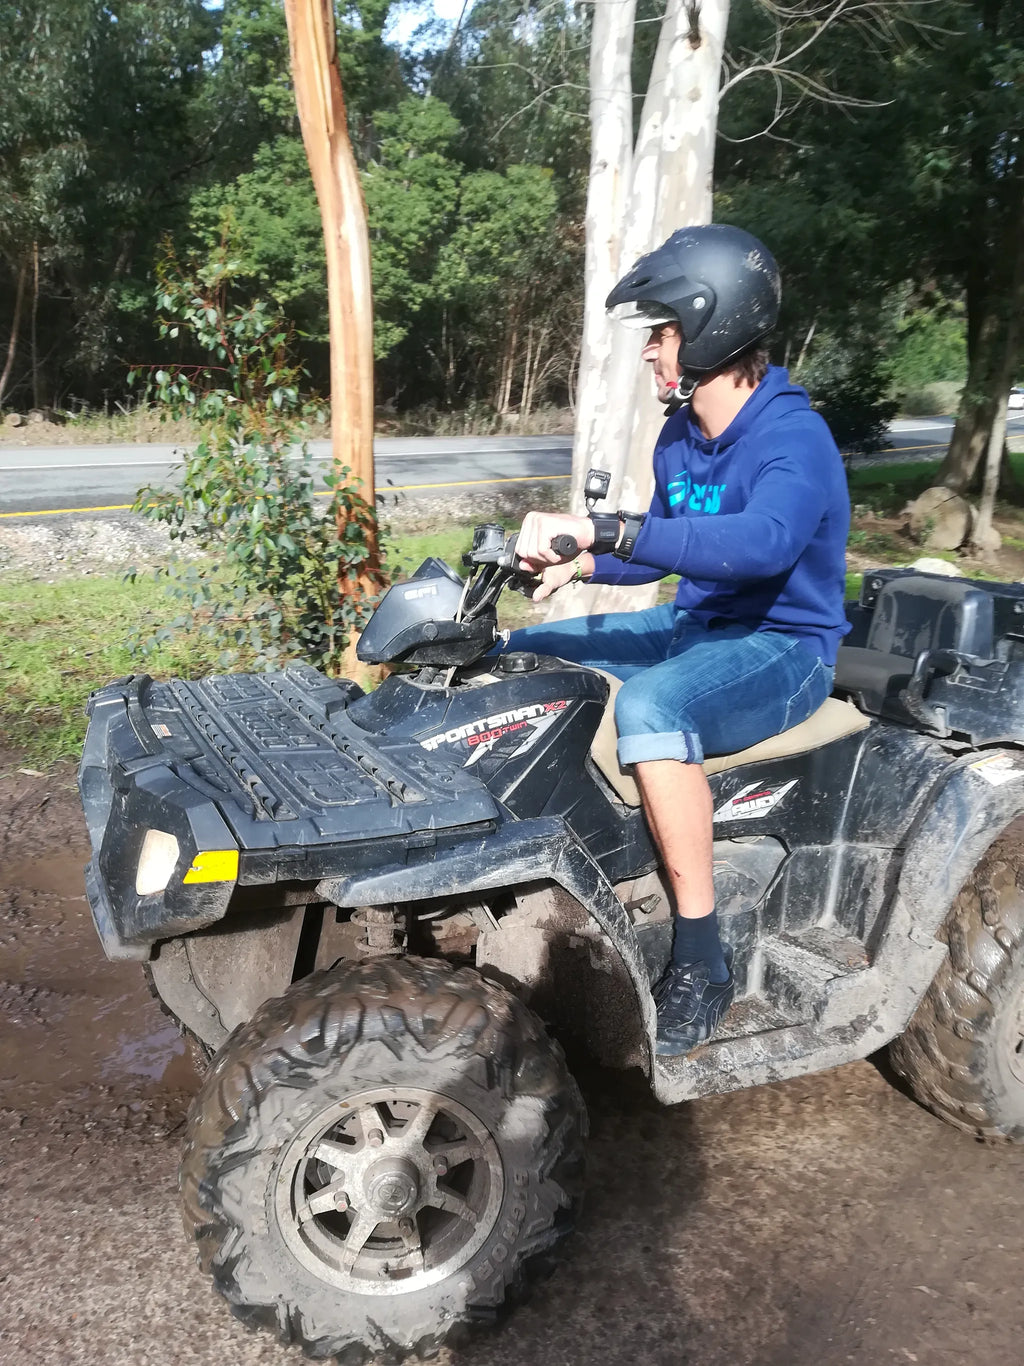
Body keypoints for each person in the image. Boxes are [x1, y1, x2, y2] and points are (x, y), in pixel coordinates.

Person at [508, 224, 851, 1055]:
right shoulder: (680, 437)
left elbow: (761, 545)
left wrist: (608, 529)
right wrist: (582, 558)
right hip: (698, 623)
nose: (652, 351)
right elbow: (667, 543)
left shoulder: (791, 438)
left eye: (661, 331)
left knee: (656, 707)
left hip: (784, 646)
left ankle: (702, 955)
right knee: (536, 656)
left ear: (714, 328)